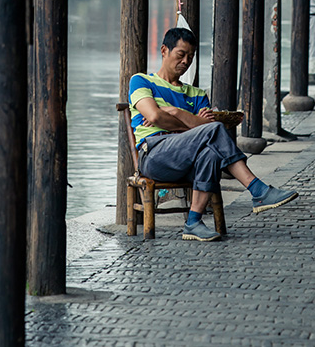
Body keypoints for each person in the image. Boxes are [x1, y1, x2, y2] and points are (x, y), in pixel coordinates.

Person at [128, 26, 298, 241]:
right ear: (164, 51)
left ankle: (193, 222)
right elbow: (154, 117)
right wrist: (188, 122)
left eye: (191, 57)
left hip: (188, 162)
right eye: (181, 54)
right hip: (154, 155)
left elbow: (200, 129)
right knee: (214, 130)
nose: (186, 61)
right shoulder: (141, 81)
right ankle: (258, 189)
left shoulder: (197, 94)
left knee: (210, 152)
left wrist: (174, 111)